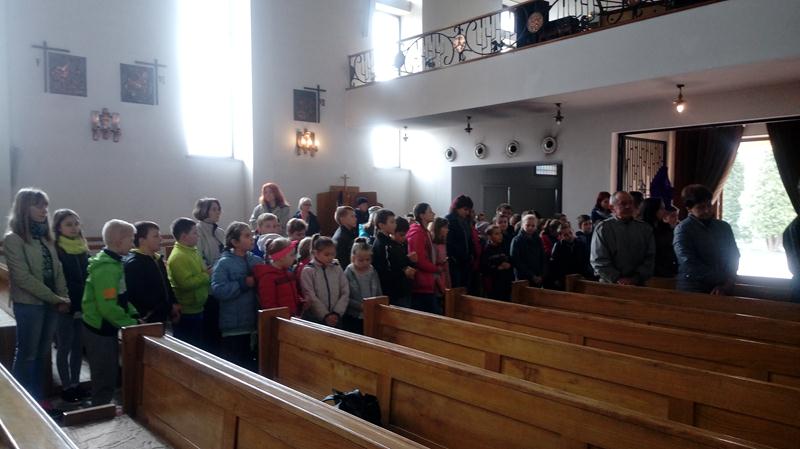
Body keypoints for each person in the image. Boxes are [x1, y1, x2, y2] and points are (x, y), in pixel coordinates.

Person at [4, 188, 70, 409]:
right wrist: (55, 298)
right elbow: (22, 277)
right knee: (28, 354)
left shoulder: (45, 237)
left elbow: (57, 269)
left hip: (51, 302)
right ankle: (20, 405)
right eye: (38, 205)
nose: (44, 210)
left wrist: (63, 296)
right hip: (29, 304)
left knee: (43, 354)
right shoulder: (13, 239)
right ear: (24, 208)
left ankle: (40, 400)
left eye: (45, 206)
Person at [81, 220, 140, 405]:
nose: (133, 244)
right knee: (103, 372)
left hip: (108, 326)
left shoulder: (115, 263)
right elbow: (106, 307)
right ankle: (99, 409)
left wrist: (133, 314)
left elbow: (121, 295)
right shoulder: (106, 268)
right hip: (99, 328)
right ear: (118, 241)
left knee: (110, 369)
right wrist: (130, 324)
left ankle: (104, 404)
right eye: (131, 239)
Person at [211, 222, 264, 369]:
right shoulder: (224, 263)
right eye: (247, 236)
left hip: (254, 323)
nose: (252, 238)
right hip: (234, 326)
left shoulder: (256, 260)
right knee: (237, 365)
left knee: (254, 366)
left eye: (252, 235)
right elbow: (218, 290)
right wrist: (242, 283)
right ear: (234, 242)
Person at [51, 209, 90, 403]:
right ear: (58, 227)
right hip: (65, 305)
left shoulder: (83, 247)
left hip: (83, 303)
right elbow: (55, 279)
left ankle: (76, 384)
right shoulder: (56, 249)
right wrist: (61, 300)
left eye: (76, 224)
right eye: (68, 224)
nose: (74, 228)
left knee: (78, 347)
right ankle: (66, 387)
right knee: (64, 346)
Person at [673, 184, 740, 294]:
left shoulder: (724, 227)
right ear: (689, 209)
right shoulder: (682, 229)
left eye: (709, 205)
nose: (707, 210)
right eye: (701, 207)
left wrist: (729, 281)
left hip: (725, 286)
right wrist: (721, 278)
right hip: (693, 288)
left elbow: (734, 255)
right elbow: (688, 262)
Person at [590, 191, 655, 285]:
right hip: (610, 284)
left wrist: (636, 278)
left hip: (638, 284)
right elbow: (598, 260)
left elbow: (650, 258)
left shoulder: (645, 229)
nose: (628, 206)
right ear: (612, 207)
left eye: (631, 203)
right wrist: (617, 278)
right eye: (623, 204)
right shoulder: (603, 228)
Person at [124, 221, 179, 325]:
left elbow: (166, 284)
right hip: (148, 318)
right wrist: (168, 307)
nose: (161, 239)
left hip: (163, 313)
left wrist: (173, 303)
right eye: (156, 236)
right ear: (142, 241)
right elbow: (140, 296)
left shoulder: (157, 259)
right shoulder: (134, 264)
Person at [166, 218, 210, 349]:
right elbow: (185, 283)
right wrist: (206, 275)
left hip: (197, 306)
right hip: (187, 310)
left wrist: (205, 273)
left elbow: (201, 270)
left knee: (198, 345)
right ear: (184, 236)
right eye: (195, 233)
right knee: (188, 347)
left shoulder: (192, 251)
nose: (198, 235)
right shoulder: (178, 256)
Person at [301, 235, 349, 327]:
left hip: (337, 317)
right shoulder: (308, 271)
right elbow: (310, 295)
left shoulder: (336, 267)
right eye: (326, 254)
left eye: (333, 254)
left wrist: (337, 312)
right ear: (315, 253)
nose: (330, 257)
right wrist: (325, 315)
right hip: (317, 319)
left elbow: (345, 291)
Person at [372, 211, 415, 308]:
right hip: (393, 292)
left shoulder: (391, 242)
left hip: (401, 288)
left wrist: (409, 261)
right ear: (381, 225)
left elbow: (398, 262)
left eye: (395, 222)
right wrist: (404, 272)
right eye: (392, 222)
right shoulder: (382, 244)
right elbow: (385, 271)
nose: (395, 225)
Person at [254, 237, 304, 316]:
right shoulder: (268, 278)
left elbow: (290, 296)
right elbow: (269, 306)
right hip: (281, 320)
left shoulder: (289, 274)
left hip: (293, 318)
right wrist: (284, 317)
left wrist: (301, 301)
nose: (295, 258)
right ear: (281, 257)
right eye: (292, 255)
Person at [406, 203, 440, 313]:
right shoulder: (417, 232)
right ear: (422, 215)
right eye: (430, 211)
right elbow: (419, 260)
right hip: (421, 282)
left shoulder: (424, 231)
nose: (433, 213)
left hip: (427, 280)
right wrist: (436, 269)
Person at [343, 238, 382, 334]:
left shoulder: (372, 271)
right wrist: (360, 306)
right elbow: (345, 295)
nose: (365, 262)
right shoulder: (349, 272)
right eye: (361, 260)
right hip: (354, 315)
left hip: (371, 312)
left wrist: (378, 304)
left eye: (368, 259)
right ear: (353, 258)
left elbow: (378, 291)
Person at [639, 198, 678, 278]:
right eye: (661, 209)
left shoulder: (665, 227)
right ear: (652, 210)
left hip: (668, 269)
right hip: (651, 271)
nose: (664, 211)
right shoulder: (642, 228)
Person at [547, 223, 593, 290]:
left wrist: (586, 275)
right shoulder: (558, 246)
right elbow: (554, 264)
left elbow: (586, 261)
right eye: (565, 235)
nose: (570, 236)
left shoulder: (581, 244)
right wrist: (556, 279)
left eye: (570, 233)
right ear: (561, 236)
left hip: (581, 277)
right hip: (564, 279)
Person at [445, 195, 475, 290]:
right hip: (455, 262)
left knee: (465, 288)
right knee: (456, 288)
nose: (467, 212)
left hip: (466, 261)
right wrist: (454, 258)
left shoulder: (466, 221)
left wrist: (471, 254)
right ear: (457, 208)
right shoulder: (449, 220)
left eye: (469, 210)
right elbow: (448, 242)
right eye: (465, 209)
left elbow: (469, 239)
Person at [510, 214, 547, 287]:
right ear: (522, 225)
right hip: (523, 278)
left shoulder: (538, 240)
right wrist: (532, 276)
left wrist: (542, 275)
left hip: (538, 277)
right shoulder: (516, 240)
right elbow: (516, 260)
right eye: (527, 225)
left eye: (533, 226)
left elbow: (543, 257)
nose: (530, 228)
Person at [480, 225, 514, 301]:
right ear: (489, 236)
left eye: (500, 233)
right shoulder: (486, 250)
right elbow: (483, 268)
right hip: (494, 284)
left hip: (506, 282)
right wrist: (498, 268)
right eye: (496, 234)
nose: (500, 236)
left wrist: (509, 264)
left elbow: (511, 260)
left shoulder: (505, 246)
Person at [429, 217, 451, 303]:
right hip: (437, 276)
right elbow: (434, 264)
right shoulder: (434, 245)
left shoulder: (443, 243)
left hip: (444, 274)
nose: (447, 230)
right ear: (438, 228)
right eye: (445, 227)